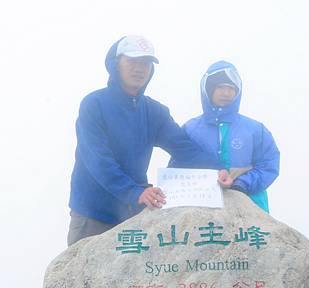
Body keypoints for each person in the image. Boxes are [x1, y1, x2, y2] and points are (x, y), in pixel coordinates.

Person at [68, 36, 231, 246]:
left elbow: (184, 148)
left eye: (145, 63)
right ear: (115, 63)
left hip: (133, 214)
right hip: (92, 215)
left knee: (132, 280)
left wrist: (218, 169)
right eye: (132, 61)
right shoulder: (94, 104)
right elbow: (98, 160)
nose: (139, 68)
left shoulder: (154, 111)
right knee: (83, 279)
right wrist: (134, 192)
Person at [170, 60, 280, 212]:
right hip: (199, 209)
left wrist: (241, 184)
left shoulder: (255, 129)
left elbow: (269, 165)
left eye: (232, 88)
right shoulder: (191, 129)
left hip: (250, 207)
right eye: (221, 87)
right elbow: (176, 168)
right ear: (208, 89)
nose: (227, 93)